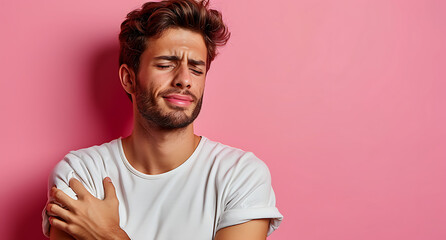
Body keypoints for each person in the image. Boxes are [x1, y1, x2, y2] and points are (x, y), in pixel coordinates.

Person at [42, 0, 283, 239]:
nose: (184, 80)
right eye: (166, 64)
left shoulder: (240, 175)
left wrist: (110, 236)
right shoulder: (81, 173)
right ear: (129, 78)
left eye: (197, 70)